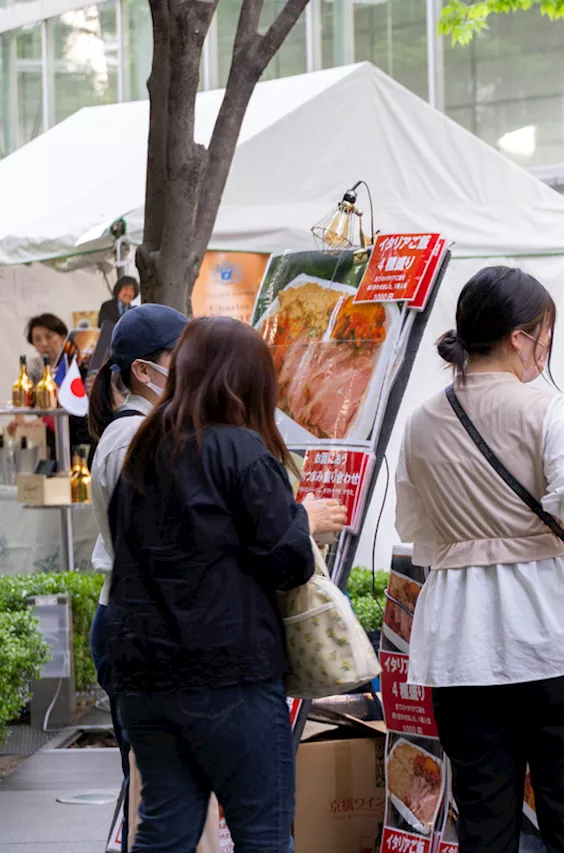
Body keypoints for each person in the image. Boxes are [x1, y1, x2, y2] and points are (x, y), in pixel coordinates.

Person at [397, 266, 564, 853]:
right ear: (522, 336)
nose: (546, 347)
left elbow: (416, 530)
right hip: (560, 636)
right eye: (545, 332)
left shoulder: (421, 422)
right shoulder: (545, 409)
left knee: (484, 818)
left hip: (463, 643)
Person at [102, 316, 347, 852]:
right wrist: (304, 521)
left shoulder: (143, 447)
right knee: (263, 834)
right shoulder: (241, 450)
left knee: (164, 829)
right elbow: (288, 562)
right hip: (229, 675)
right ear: (247, 381)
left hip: (144, 676)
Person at [86, 304, 188, 853]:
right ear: (146, 371)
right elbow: (159, 548)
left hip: (133, 620)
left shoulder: (145, 430)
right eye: (182, 355)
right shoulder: (132, 441)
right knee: (155, 791)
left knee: (157, 787)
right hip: (138, 625)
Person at [15, 313, 94, 450]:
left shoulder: (79, 364)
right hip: (51, 439)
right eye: (37, 339)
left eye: (49, 336)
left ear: (63, 337)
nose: (44, 343)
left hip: (82, 434)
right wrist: (19, 419)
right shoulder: (34, 368)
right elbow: (24, 396)